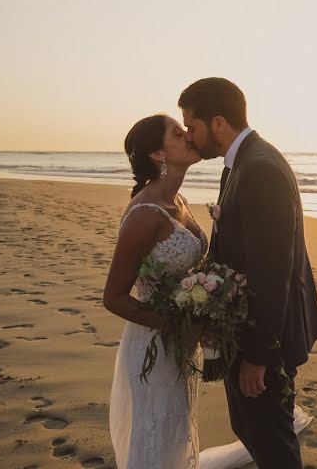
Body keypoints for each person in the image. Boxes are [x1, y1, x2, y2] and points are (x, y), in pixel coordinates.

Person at [179, 77, 317, 469]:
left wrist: (258, 356)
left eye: (192, 127)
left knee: (273, 444)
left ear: (219, 123)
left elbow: (272, 271)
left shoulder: (260, 169)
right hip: (248, 332)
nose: (190, 137)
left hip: (264, 340)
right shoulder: (243, 163)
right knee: (254, 432)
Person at [105, 114, 207, 468]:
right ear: (158, 155)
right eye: (178, 134)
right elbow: (113, 296)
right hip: (153, 341)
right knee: (158, 431)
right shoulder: (144, 215)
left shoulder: (180, 200)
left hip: (181, 338)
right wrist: (174, 325)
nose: (189, 135)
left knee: (177, 427)